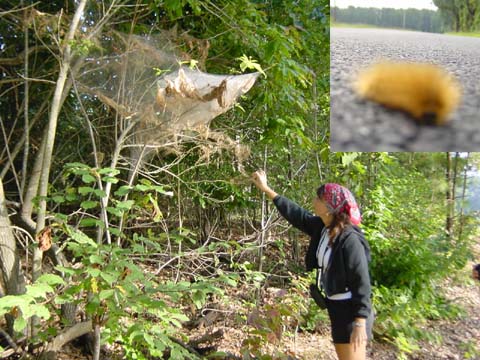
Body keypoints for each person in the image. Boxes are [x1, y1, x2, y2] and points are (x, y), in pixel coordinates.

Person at [251, 170, 373, 360]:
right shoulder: (323, 228)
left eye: (319, 198)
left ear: (329, 208)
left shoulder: (350, 240)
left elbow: (362, 282)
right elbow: (296, 214)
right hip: (336, 306)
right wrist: (266, 188)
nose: (314, 200)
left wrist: (360, 322)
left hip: (352, 312)